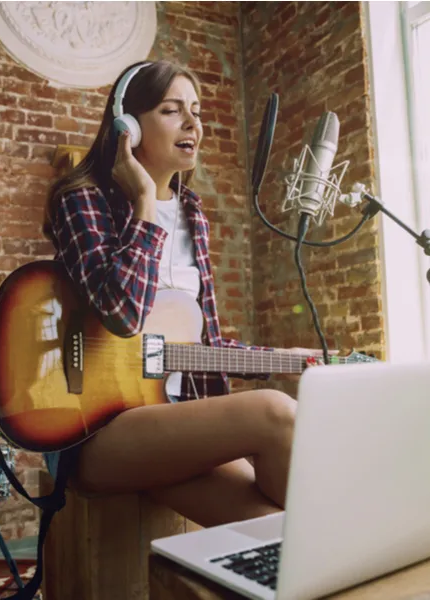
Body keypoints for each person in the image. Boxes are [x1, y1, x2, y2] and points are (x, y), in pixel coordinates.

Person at [42, 60, 311, 527]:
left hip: (171, 420)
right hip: (93, 429)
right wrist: (144, 203)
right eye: (172, 110)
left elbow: (190, 346)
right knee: (274, 412)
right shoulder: (81, 198)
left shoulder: (192, 212)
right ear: (128, 127)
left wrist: (284, 359)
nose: (193, 124)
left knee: (282, 529)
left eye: (197, 111)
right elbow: (122, 315)